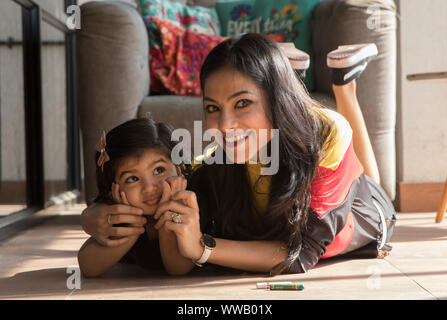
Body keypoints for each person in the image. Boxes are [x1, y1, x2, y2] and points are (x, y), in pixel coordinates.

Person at [80, 33, 396, 275]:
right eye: (213, 109)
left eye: (242, 103)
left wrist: (203, 248)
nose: (225, 125)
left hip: (362, 212)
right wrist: (90, 216)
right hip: (282, 120)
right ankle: (286, 73)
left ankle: (344, 85)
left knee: (370, 180)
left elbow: (297, 256)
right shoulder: (217, 159)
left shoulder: (326, 135)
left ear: (274, 101)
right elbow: (164, 182)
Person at [77, 118, 200, 277]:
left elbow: (178, 268)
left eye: (158, 170)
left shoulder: (190, 204)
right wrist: (131, 228)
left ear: (178, 170)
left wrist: (168, 211)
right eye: (132, 179)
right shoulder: (120, 219)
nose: (149, 187)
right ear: (114, 188)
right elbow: (88, 267)